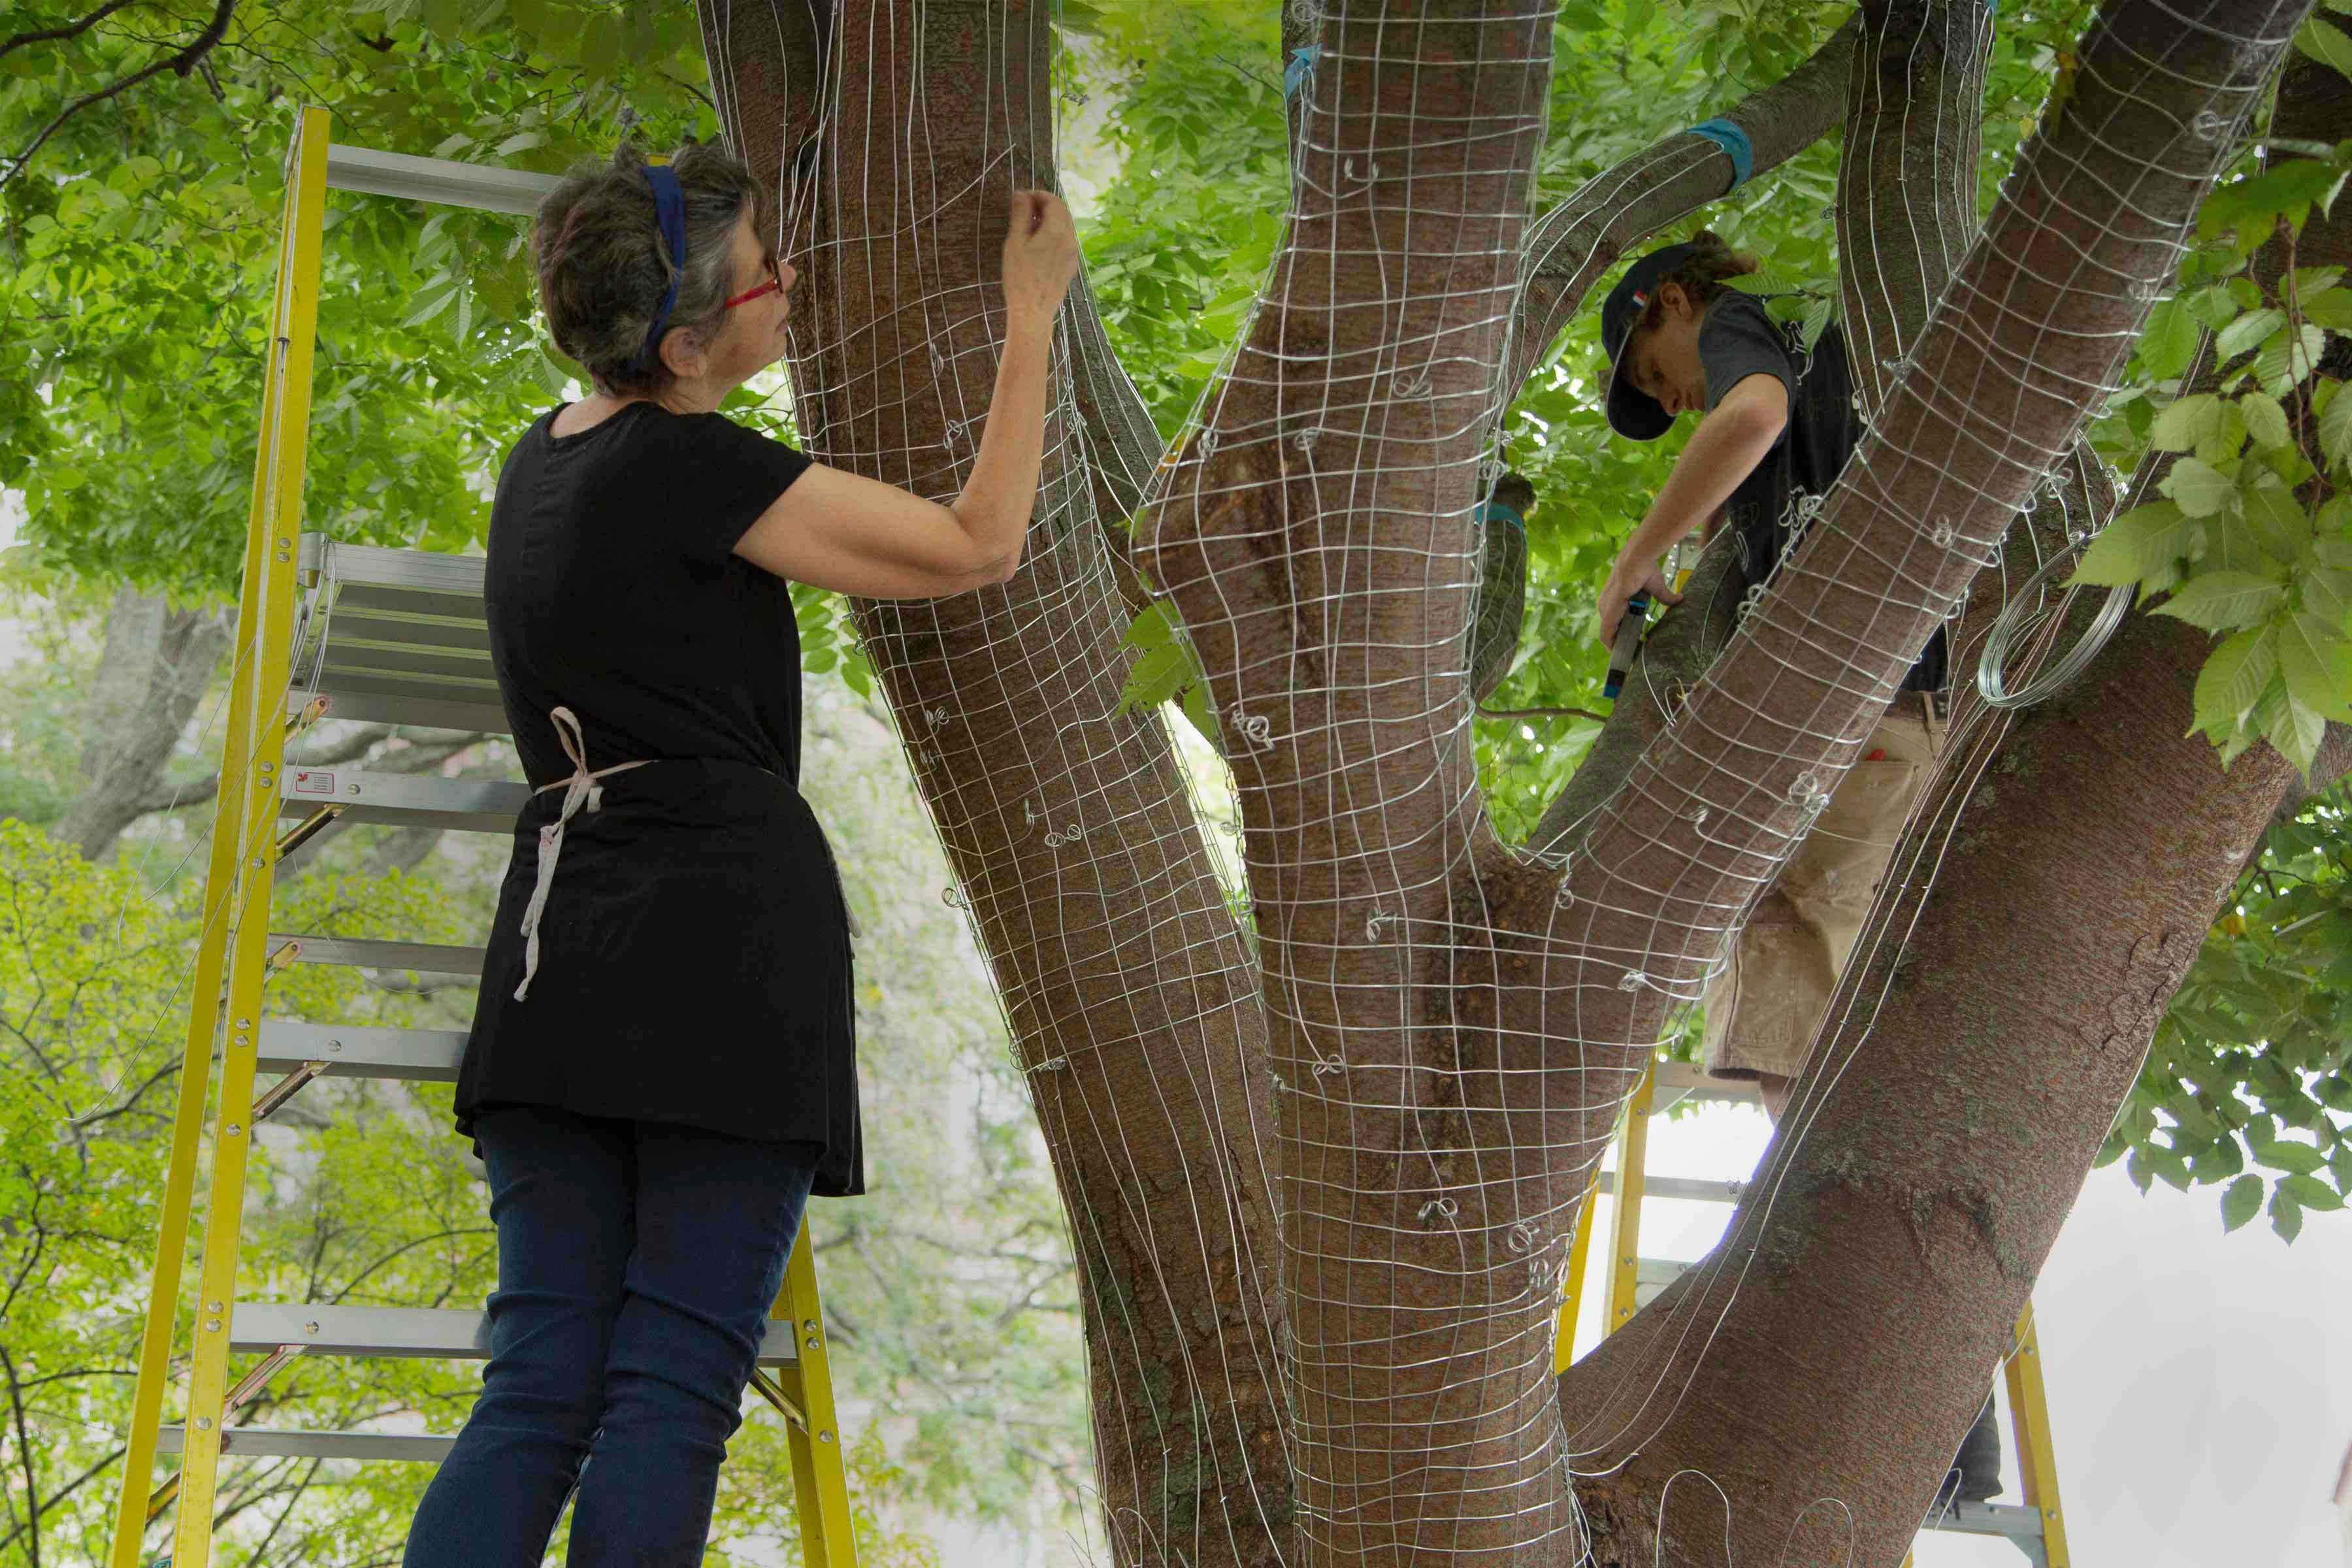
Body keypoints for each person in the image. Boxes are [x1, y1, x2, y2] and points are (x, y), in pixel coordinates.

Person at [400, 142, 1079, 1567]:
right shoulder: (698, 465)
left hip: (556, 949)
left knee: (537, 1383)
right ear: (689, 336)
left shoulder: (537, 464)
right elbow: (977, 544)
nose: (792, 290)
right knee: (673, 1383)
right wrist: (1032, 319)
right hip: (716, 939)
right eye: (773, 273)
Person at [1595, 232, 2000, 1507]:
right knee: (1781, 1051)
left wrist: (1639, 551)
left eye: (1655, 376)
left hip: (1867, 717)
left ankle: (1942, 1392)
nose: (1676, 399)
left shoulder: (1756, 340)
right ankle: (1915, 1374)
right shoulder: (1818, 396)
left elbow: (1753, 413)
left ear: (1674, 303)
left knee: (1823, 1050)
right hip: (1839, 730)